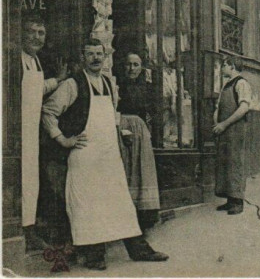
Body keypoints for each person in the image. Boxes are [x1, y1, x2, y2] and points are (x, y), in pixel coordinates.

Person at [41, 39, 168, 270]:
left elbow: (112, 115)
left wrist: (122, 134)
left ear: (105, 56)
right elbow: (49, 111)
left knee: (121, 204)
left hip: (109, 155)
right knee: (88, 205)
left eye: (99, 54)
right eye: (90, 54)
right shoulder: (72, 84)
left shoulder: (109, 84)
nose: (96, 58)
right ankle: (94, 255)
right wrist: (62, 139)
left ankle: (139, 249)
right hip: (84, 155)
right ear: (83, 57)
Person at [17, 14, 67, 250]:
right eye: (32, 31)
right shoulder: (12, 60)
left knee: (32, 179)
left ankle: (31, 228)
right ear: (20, 33)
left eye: (41, 33)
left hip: (32, 131)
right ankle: (23, 230)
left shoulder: (35, 60)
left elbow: (37, 89)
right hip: (15, 133)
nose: (36, 37)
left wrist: (57, 80)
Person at [117, 52, 161, 229]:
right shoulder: (117, 84)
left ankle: (143, 214)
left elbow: (152, 110)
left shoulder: (147, 87)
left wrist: (148, 128)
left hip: (140, 130)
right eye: (129, 64)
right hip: (121, 128)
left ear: (141, 67)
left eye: (136, 65)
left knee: (142, 168)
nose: (132, 68)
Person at [212, 55, 252, 215]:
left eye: (224, 65)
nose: (222, 68)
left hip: (235, 130)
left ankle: (238, 201)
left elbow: (243, 108)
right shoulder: (226, 85)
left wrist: (224, 124)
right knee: (225, 162)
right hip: (224, 131)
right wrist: (217, 122)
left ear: (232, 66)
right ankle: (230, 199)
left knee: (235, 162)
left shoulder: (241, 84)